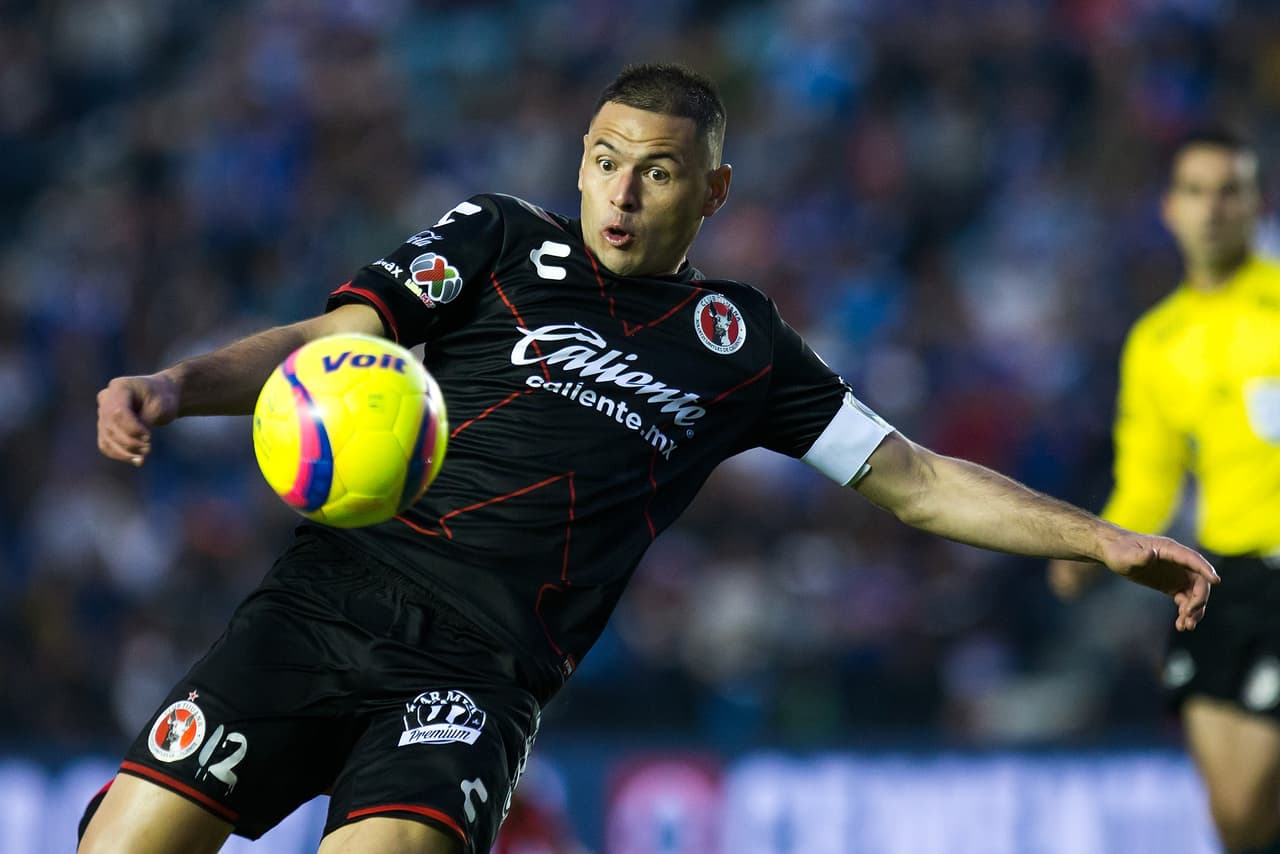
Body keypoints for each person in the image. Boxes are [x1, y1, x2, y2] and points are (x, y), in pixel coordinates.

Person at [83, 63, 1217, 854]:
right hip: (320, 603)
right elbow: (333, 349)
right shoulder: (495, 237)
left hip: (475, 674)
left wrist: (1101, 536)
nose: (619, 194)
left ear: (711, 191)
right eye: (603, 161)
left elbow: (912, 478)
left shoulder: (739, 343)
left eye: (657, 173)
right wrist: (176, 387)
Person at [1048, 127, 1280, 853]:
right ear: (1169, 209)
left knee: (1251, 798)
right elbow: (1148, 481)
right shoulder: (1156, 342)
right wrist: (1089, 546)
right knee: (1235, 822)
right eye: (1196, 192)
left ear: (1254, 204)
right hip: (1221, 578)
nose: (1212, 208)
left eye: (1229, 191)